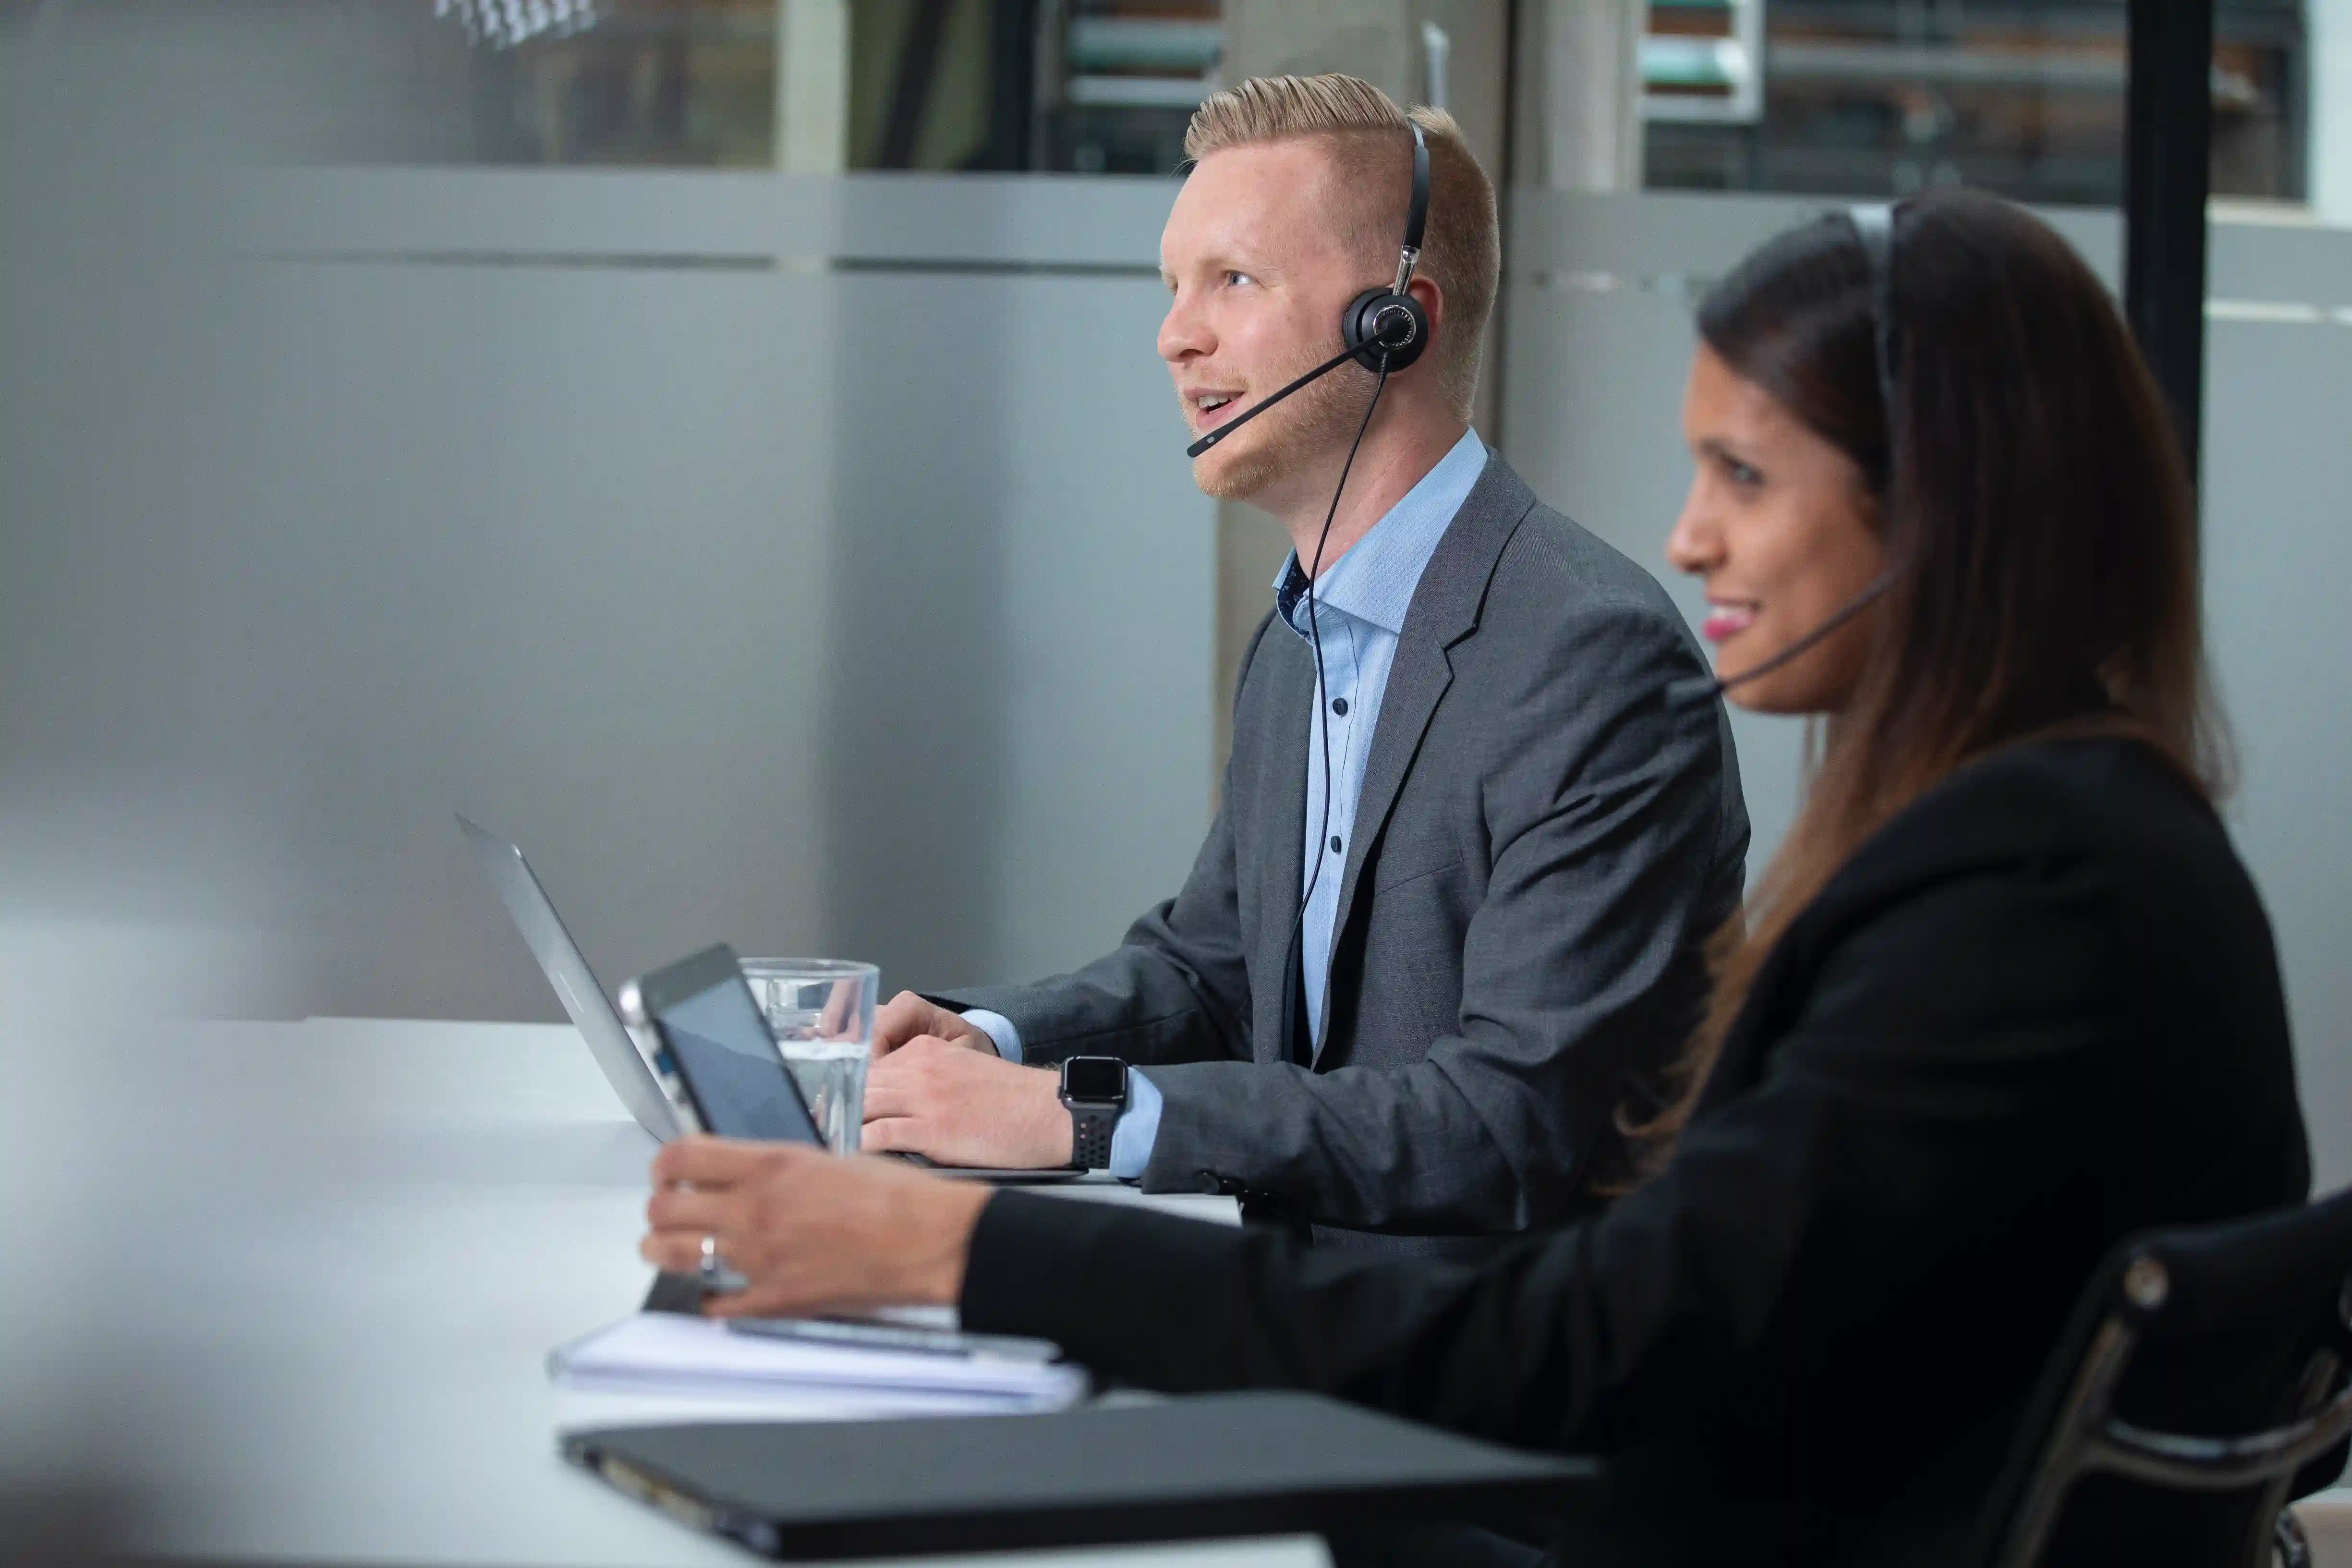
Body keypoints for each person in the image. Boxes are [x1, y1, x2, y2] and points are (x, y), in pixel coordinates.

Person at [642, 187, 2315, 1562]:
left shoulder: (2022, 903)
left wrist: (963, 1258)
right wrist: (1002, 1077)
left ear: (1941, 514)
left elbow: (1594, 1333)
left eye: (1742, 473)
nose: (1685, 535)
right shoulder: (2051, 841)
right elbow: (1220, 964)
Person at [854, 74, 1747, 1250]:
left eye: (1233, 280)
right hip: (1304, 1306)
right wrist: (992, 1044)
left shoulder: (1592, 664)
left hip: (1482, 1368)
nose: (1177, 335)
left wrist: (1074, 1117)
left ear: (1397, 321)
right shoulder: (1302, 637)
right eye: (1174, 288)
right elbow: (1213, 971)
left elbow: (1503, 1127)